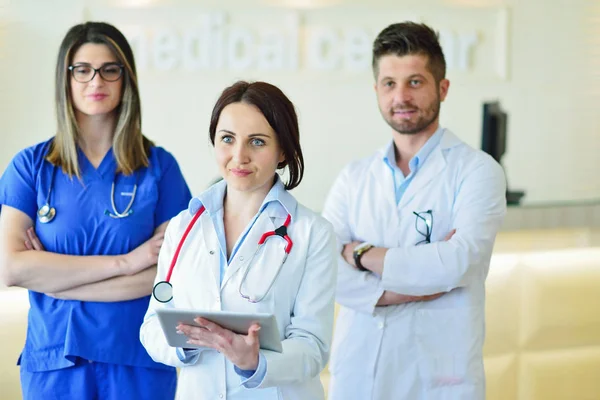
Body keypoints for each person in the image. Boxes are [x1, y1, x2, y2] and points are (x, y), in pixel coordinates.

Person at [0, 22, 191, 399]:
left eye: (110, 69)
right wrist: (128, 262)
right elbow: (10, 268)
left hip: (138, 359)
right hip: (56, 361)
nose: (95, 81)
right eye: (82, 70)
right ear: (66, 79)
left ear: (126, 79)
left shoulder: (159, 168)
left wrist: (55, 277)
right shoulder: (31, 167)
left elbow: (170, 277)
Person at [322, 22, 507, 399]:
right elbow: (323, 268)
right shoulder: (354, 176)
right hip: (360, 375)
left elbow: (459, 263)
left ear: (443, 88)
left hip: (437, 381)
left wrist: (360, 254)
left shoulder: (477, 170)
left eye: (415, 82)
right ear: (376, 90)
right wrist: (411, 285)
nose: (401, 96)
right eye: (389, 83)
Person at [140, 81, 337, 399]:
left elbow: (313, 347)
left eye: (257, 142)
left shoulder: (312, 233)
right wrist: (189, 342)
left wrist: (255, 361)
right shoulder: (183, 227)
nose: (239, 156)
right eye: (227, 139)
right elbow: (151, 328)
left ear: (283, 150)